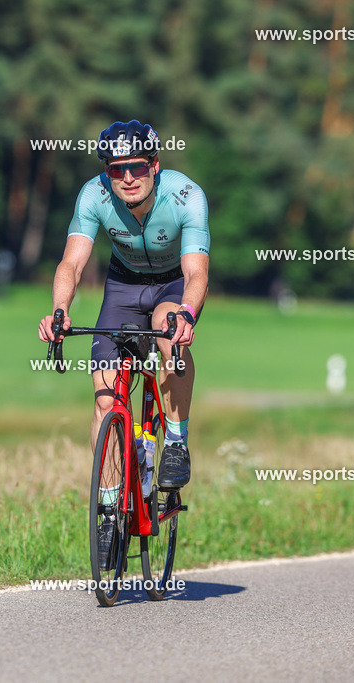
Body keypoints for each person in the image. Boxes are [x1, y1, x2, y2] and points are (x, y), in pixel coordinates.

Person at [37, 120, 210, 568]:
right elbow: (72, 264)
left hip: (172, 286)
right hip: (122, 288)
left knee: (167, 329)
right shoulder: (93, 195)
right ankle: (110, 510)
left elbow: (196, 274)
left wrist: (186, 314)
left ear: (155, 164)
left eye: (136, 167)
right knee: (104, 394)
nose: (127, 177)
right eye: (116, 169)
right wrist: (59, 311)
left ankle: (175, 439)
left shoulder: (186, 196)